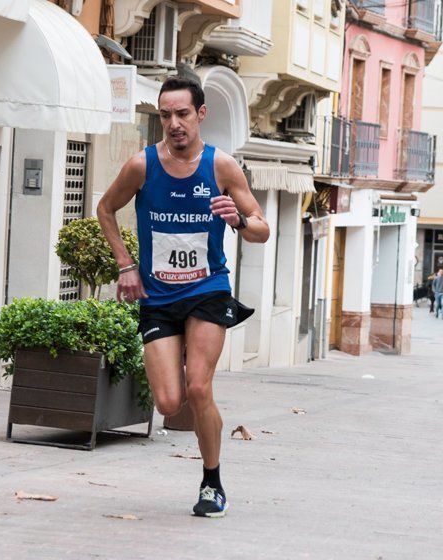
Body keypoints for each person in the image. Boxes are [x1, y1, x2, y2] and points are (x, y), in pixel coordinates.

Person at [97, 76, 270, 518]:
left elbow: (262, 229)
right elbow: (105, 208)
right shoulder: (141, 166)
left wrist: (239, 220)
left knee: (198, 387)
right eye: (166, 115)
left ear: (201, 114)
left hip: (207, 288)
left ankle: (212, 483)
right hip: (158, 296)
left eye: (182, 114)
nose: (174, 124)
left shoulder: (222, 167)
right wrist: (126, 265)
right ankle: (201, 438)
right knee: (169, 402)